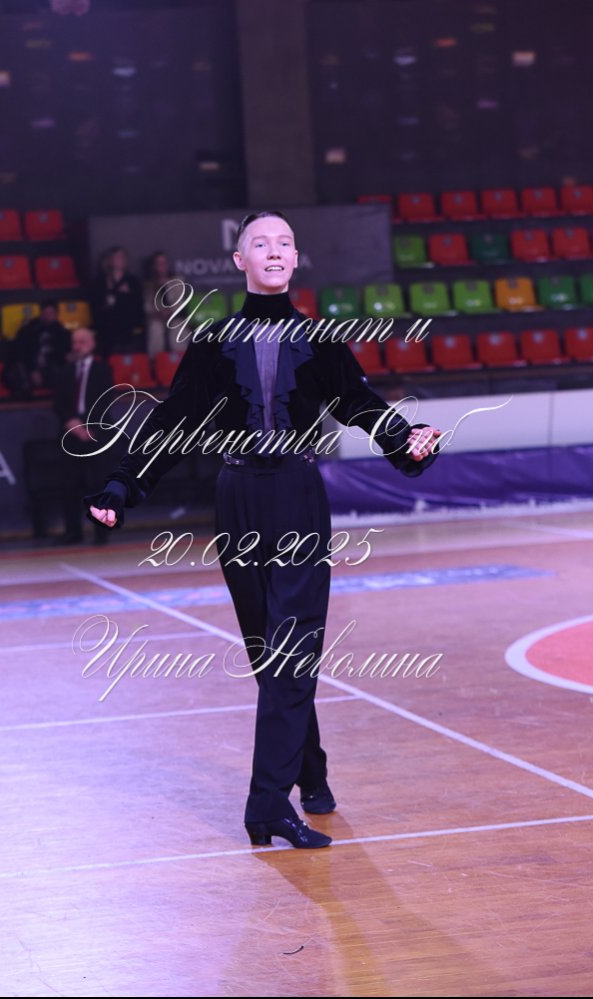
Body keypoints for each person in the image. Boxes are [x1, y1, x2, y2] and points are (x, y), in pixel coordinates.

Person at [85, 211, 441, 849]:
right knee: (266, 653)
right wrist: (122, 484)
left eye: (284, 243)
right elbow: (174, 420)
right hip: (237, 497)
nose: (273, 251)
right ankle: (312, 771)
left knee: (292, 652)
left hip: (298, 496)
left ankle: (267, 805)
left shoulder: (322, 339)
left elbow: (360, 404)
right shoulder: (213, 341)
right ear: (240, 260)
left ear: (295, 259)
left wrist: (405, 440)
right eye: (260, 243)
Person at [53, 326, 113, 545]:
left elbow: (106, 400)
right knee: (69, 483)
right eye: (74, 342)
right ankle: (73, 531)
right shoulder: (64, 372)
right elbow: (59, 403)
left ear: (91, 344)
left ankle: (101, 532)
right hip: (71, 434)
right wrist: (73, 423)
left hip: (96, 433)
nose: (77, 346)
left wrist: (89, 426)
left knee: (99, 483)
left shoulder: (103, 370)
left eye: (82, 342)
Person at [1, 299, 71, 398]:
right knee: (13, 372)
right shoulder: (28, 330)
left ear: (57, 314)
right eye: (46, 313)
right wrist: (33, 370)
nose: (48, 316)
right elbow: (20, 353)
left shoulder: (62, 332)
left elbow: (63, 354)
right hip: (28, 368)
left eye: (51, 313)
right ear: (41, 313)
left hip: (49, 369)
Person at [90, 245, 145, 357]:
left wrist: (123, 295)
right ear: (109, 260)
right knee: (107, 323)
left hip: (127, 320)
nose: (120, 260)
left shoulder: (133, 281)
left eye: (122, 257)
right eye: (117, 257)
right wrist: (117, 293)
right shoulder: (99, 281)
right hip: (106, 320)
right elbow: (97, 304)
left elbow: (137, 304)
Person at [142, 250, 184, 357]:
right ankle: (156, 360)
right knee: (155, 328)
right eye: (159, 263)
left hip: (175, 316)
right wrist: (157, 312)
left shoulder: (177, 281)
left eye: (164, 263)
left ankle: (181, 360)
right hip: (156, 317)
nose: (162, 266)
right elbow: (147, 305)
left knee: (177, 327)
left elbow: (180, 302)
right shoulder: (148, 285)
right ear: (154, 266)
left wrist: (170, 311)